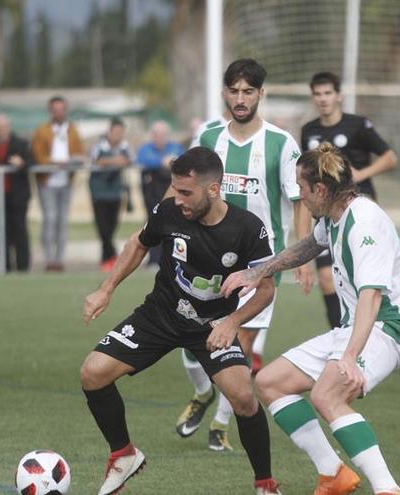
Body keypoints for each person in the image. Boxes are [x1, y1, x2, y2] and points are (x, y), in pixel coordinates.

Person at [221, 143, 400, 495]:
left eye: (301, 188)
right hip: (355, 327)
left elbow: (371, 297)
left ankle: (388, 489)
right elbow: (306, 247)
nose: (299, 195)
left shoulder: (364, 223)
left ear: (321, 190)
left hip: (390, 328)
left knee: (327, 396)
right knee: (269, 382)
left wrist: (349, 356)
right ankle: (333, 475)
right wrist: (256, 274)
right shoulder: (332, 218)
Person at [80, 147, 282, 495]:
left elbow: (266, 289)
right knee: (92, 374)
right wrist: (106, 289)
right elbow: (139, 244)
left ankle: (265, 485)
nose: (177, 198)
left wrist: (233, 322)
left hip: (213, 324)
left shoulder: (247, 228)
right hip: (160, 315)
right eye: (175, 189)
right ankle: (123, 454)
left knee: (243, 397)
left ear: (214, 190)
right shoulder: (169, 211)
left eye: (186, 192)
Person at [179, 58, 313, 452]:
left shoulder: (281, 143)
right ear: (225, 93)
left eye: (248, 91)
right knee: (191, 344)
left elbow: (299, 200)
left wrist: (300, 256)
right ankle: (203, 393)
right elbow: (186, 190)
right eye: (234, 91)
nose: (241, 99)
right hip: (205, 258)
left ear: (260, 94)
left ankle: (221, 424)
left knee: (235, 345)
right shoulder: (208, 137)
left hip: (260, 264)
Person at [301, 71, 398, 328]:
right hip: (325, 215)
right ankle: (339, 333)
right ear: (313, 97)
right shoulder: (309, 131)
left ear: (339, 96)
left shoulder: (357, 125)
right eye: (318, 94)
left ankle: (374, 331)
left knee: (359, 279)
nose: (323, 99)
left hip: (357, 213)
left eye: (328, 93)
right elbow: (304, 184)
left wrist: (361, 174)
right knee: (326, 278)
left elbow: (390, 157)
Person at [31, 96, 84, 272]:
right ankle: (49, 258)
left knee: (62, 221)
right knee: (50, 218)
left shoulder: (72, 130)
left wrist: (71, 162)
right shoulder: (42, 131)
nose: (59, 113)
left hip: (66, 181)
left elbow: (79, 152)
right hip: (48, 181)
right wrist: (55, 162)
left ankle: (59, 259)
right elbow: (38, 155)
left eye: (62, 109)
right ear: (50, 111)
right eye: (55, 109)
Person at [0, 114, 33, 272]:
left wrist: (23, 163)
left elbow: (33, 161)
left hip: (18, 197)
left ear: (9, 127)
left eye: (4, 127)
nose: (2, 130)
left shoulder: (21, 144)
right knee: (1, 232)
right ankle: (4, 267)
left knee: (20, 231)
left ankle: (23, 267)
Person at [136, 120, 185, 266]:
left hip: (173, 192)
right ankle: (154, 259)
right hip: (152, 193)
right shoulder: (146, 149)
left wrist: (170, 162)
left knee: (174, 226)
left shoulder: (176, 147)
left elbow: (183, 161)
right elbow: (142, 159)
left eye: (163, 135)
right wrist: (161, 161)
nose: (160, 138)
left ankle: (172, 259)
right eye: (157, 135)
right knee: (153, 224)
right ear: (152, 135)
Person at [89, 118, 133, 272]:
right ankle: (112, 257)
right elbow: (94, 161)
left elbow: (129, 160)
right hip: (99, 192)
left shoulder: (124, 146)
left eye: (120, 132)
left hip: (115, 192)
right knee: (103, 228)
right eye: (115, 132)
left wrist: (122, 161)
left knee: (112, 226)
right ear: (109, 132)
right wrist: (115, 161)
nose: (118, 135)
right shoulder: (99, 146)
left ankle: (107, 259)